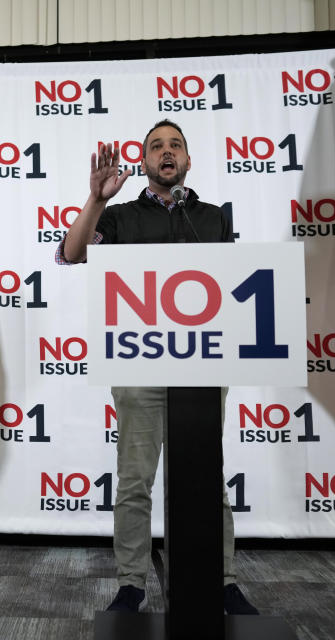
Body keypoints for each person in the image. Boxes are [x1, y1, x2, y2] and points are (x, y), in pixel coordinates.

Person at [57, 119, 259, 616]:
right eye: (156, 146)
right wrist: (97, 199)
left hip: (202, 370)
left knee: (208, 479)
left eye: (175, 146)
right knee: (134, 481)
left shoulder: (212, 218)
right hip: (138, 367)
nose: (166, 151)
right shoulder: (121, 215)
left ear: (188, 161)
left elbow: (230, 289)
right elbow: (70, 253)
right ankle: (131, 585)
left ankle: (223, 581)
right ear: (144, 161)